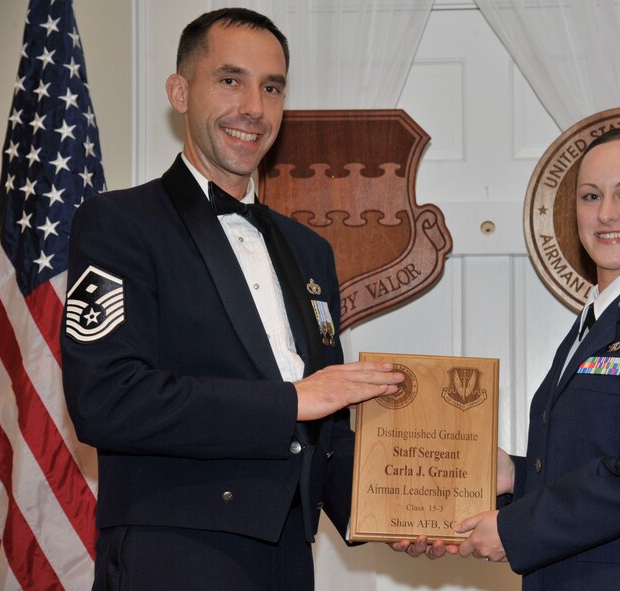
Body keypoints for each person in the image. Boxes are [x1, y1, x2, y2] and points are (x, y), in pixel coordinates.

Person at [61, 8, 403, 590]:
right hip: (173, 555)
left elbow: (324, 431)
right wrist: (291, 400)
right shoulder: (120, 223)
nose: (253, 106)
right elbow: (107, 399)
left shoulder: (310, 250)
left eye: (271, 88)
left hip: (290, 560)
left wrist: (396, 514)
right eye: (230, 80)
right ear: (179, 91)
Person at [396, 128, 620, 590]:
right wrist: (511, 473)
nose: (606, 213)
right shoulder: (596, 322)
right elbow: (588, 459)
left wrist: (515, 530)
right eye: (591, 196)